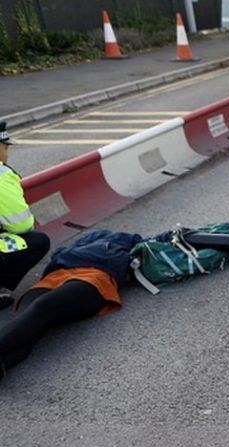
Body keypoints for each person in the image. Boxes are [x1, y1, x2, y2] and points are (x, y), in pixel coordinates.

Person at [0, 229, 141, 380]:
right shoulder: (83, 242)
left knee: (41, 307)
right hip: (55, 275)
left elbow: (153, 253)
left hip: (94, 275)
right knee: (28, 322)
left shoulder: (132, 241)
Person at [0, 121, 50, 310]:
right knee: (38, 241)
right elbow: (21, 225)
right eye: (5, 147)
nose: (7, 153)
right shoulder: (2, 175)